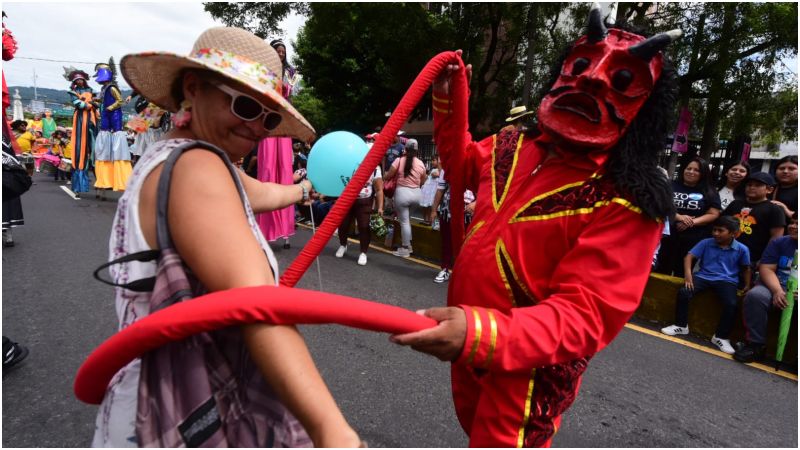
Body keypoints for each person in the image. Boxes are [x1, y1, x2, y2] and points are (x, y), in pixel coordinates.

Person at [390, 8, 681, 446]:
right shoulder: (514, 144)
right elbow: (462, 166)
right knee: (473, 429)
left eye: (621, 79)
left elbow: (585, 315)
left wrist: (484, 334)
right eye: (582, 64)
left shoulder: (628, 197)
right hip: (468, 339)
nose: (592, 79)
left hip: (531, 368)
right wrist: (450, 101)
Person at [98, 26, 359, 447]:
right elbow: (256, 305)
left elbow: (264, 193)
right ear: (193, 87)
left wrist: (308, 189)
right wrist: (334, 432)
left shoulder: (175, 158)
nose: (258, 127)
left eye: (269, 117)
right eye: (244, 105)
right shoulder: (198, 167)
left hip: (155, 394)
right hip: (185, 410)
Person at [660, 216, 751, 354]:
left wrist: (748, 285)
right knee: (684, 292)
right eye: (714, 230)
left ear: (733, 233)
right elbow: (689, 257)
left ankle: (720, 336)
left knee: (731, 304)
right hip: (703, 276)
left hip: (727, 280)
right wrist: (688, 275)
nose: (716, 233)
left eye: (720, 231)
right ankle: (681, 325)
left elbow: (746, 268)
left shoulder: (742, 249)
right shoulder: (706, 243)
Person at [255, 39, 300, 249]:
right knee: (266, 170)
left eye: (283, 51)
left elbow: (291, 98)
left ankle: (285, 230)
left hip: (283, 123)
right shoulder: (263, 70)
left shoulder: (291, 73)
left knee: (284, 173)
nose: (281, 53)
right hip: (268, 122)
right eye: (277, 50)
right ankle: (264, 228)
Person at [734, 213, 797, 363]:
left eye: (798, 224)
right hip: (775, 285)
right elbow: (767, 268)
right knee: (756, 296)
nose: (794, 226)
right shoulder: (779, 243)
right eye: (793, 222)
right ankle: (755, 345)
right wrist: (777, 291)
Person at [655, 156, 721, 277]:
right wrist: (679, 217)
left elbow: (713, 214)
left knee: (684, 272)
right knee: (661, 268)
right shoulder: (670, 185)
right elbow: (660, 204)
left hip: (693, 240)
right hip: (667, 237)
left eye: (696, 170)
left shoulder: (710, 191)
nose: (691, 172)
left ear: (703, 174)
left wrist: (690, 222)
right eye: (688, 168)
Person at [722, 172, 785, 265]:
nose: (752, 187)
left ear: (769, 189)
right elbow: (722, 225)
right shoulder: (735, 204)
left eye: (758, 185)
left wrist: (765, 259)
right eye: (749, 185)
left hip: (752, 259)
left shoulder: (774, 209)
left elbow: (776, 237)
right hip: (725, 252)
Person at [92, 58, 133, 198]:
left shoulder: (112, 88)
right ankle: (104, 180)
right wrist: (95, 100)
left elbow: (120, 101)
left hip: (114, 115)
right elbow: (102, 99)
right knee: (104, 141)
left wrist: (110, 107)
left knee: (117, 142)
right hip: (106, 116)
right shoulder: (104, 89)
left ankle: (122, 180)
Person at [385, 138, 426, 258]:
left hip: (402, 193)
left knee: (404, 222)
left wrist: (384, 176)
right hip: (417, 195)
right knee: (407, 220)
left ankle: (405, 248)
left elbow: (389, 175)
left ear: (405, 149)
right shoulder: (421, 163)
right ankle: (409, 245)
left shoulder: (399, 160)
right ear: (417, 150)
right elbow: (423, 180)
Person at [334, 164, 384, 266]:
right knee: (343, 224)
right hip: (347, 199)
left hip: (364, 201)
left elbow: (379, 189)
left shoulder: (375, 168)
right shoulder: (348, 162)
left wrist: (380, 207)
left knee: (364, 226)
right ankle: (343, 245)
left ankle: (363, 252)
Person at [63, 66, 97, 195]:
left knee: (94, 148)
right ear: (74, 82)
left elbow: (97, 103)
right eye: (77, 80)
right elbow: (79, 104)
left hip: (92, 118)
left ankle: (100, 180)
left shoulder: (90, 90)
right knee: (79, 149)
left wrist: (92, 104)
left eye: (81, 80)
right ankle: (78, 185)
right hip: (80, 120)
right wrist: (90, 104)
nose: (79, 82)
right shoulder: (73, 92)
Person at [771, 155, 797, 222]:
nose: (785, 171)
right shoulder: (768, 188)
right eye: (781, 168)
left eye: (791, 169)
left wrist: (787, 210)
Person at [419, 155, 440, 225]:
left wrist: (434, 174)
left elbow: (435, 174)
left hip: (432, 191)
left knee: (430, 206)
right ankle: (425, 219)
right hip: (427, 190)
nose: (432, 162)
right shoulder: (432, 169)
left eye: (434, 160)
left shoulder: (439, 170)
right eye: (432, 160)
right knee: (424, 205)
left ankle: (430, 221)